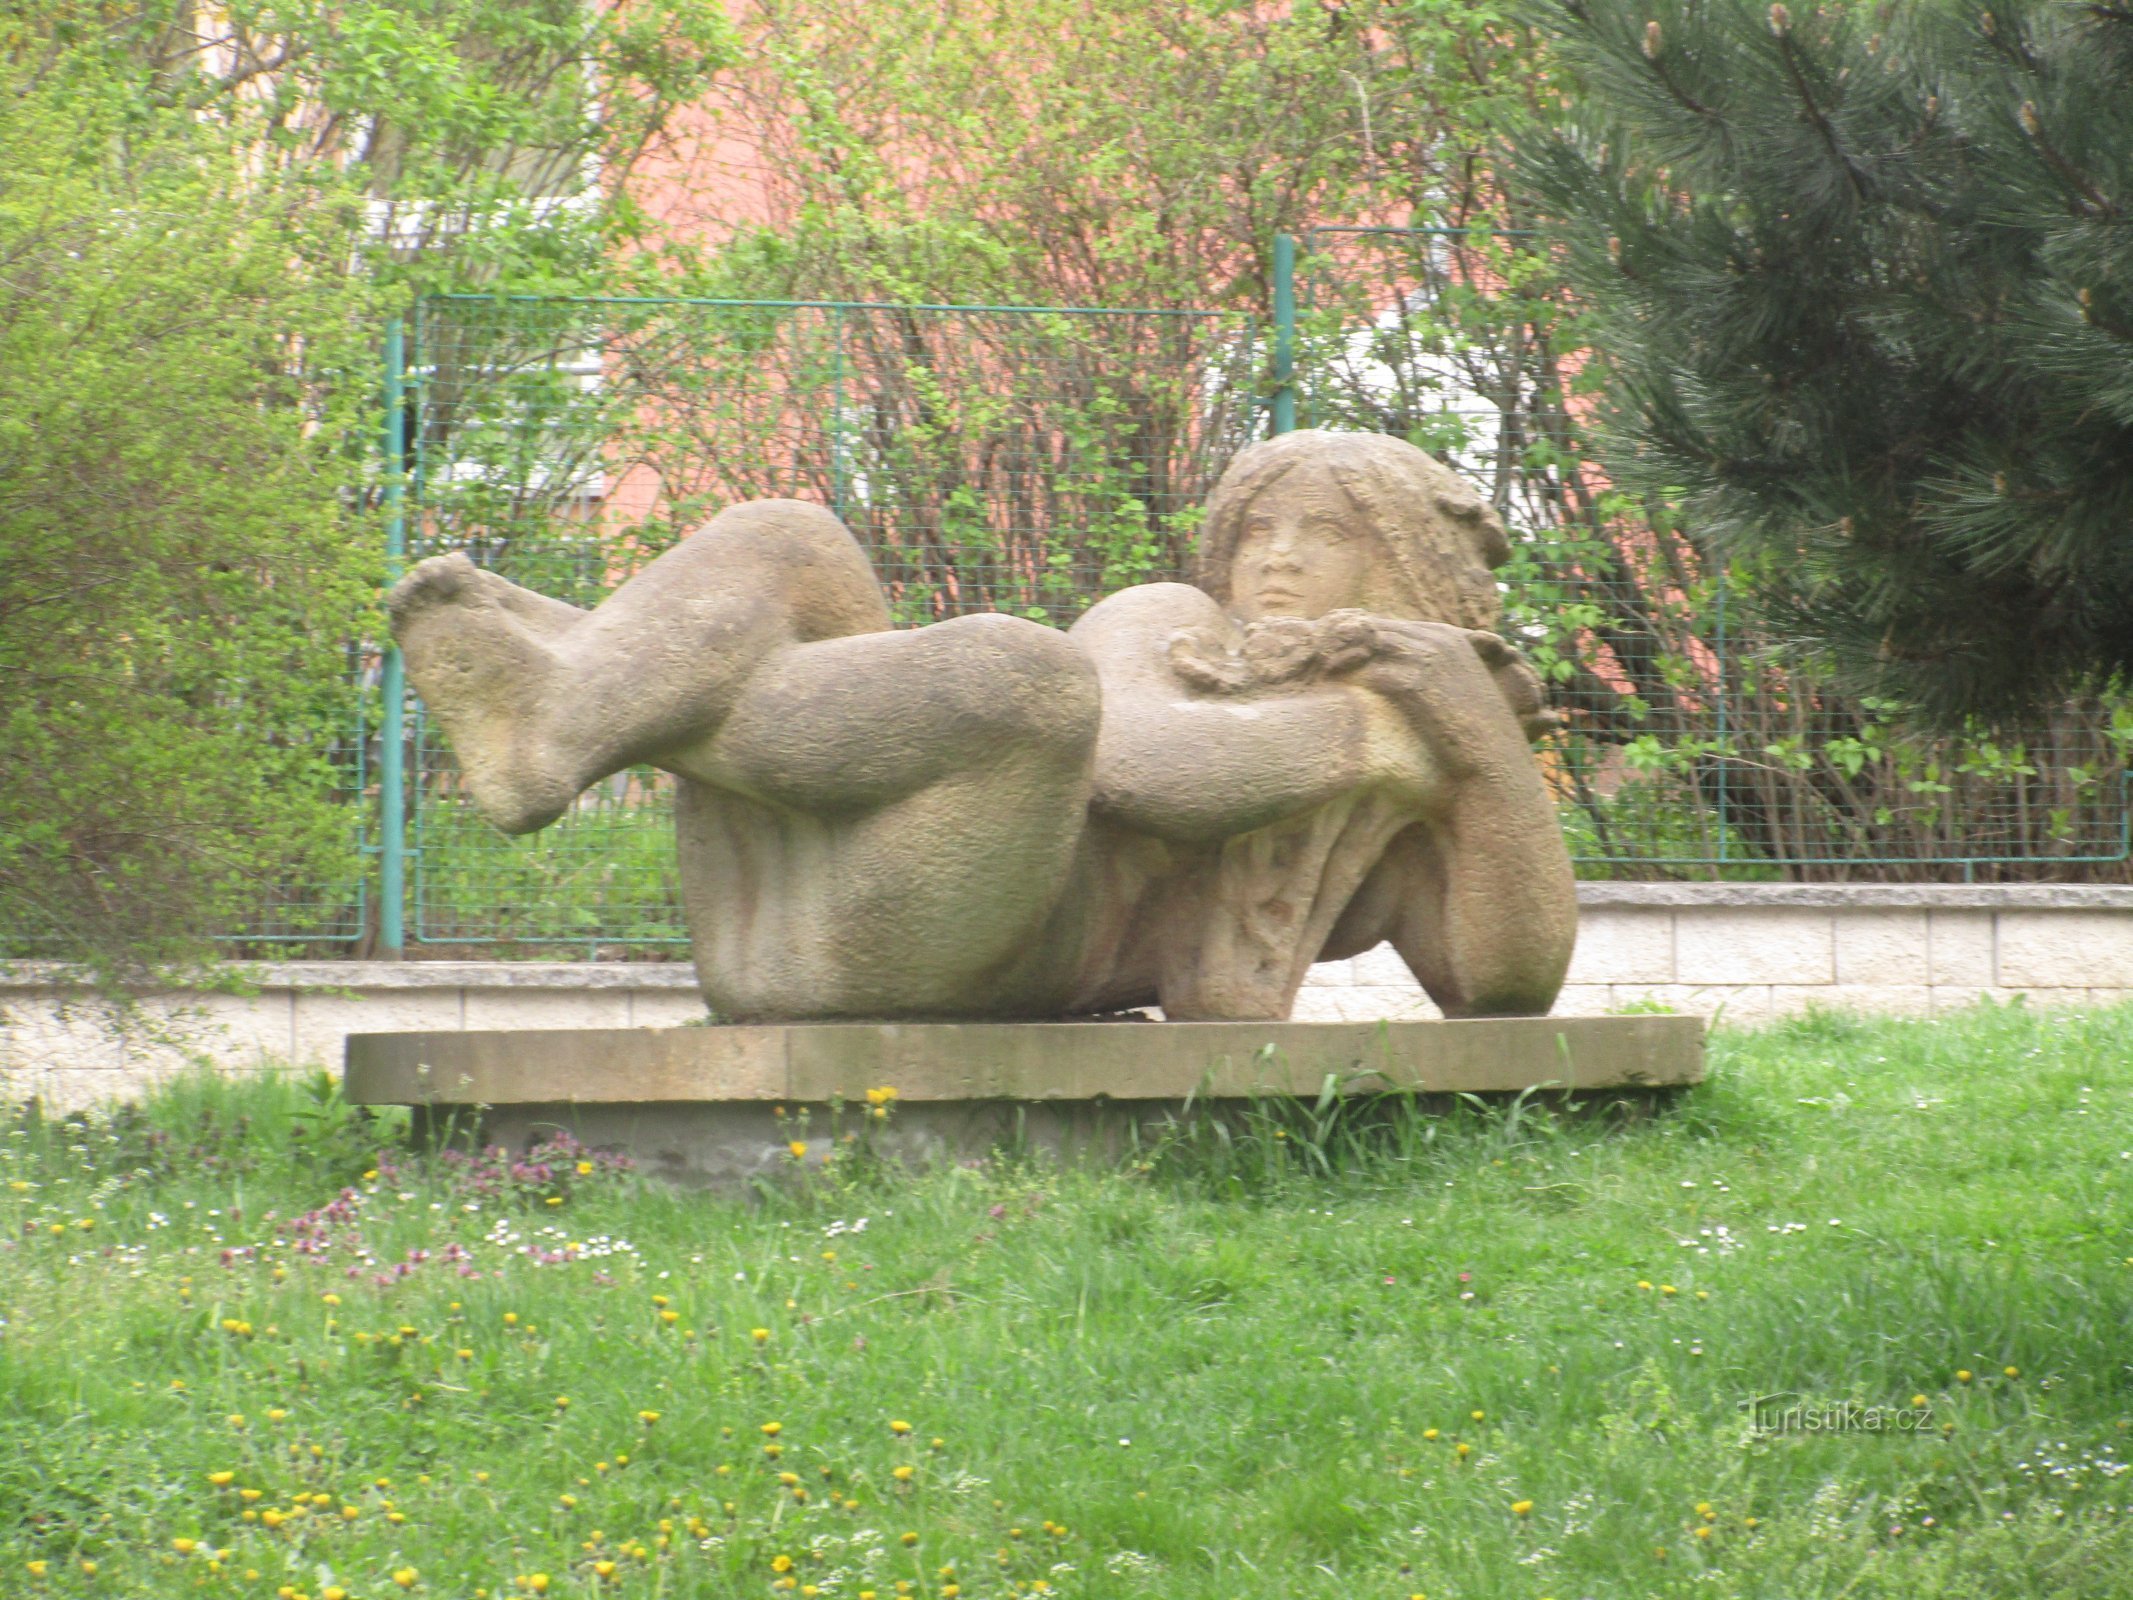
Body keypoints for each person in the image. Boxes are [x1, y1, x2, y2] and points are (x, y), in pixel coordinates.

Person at [388, 428, 1575, 1021]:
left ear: (1414, 566)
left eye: (1325, 531)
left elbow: (1505, 987)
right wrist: (1387, 733)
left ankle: (606, 670)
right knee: (799, 541)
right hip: (820, 907)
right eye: (1258, 526)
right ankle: (564, 725)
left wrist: (1479, 751)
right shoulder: (1175, 623)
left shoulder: (1440, 750)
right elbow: (1154, 764)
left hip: (921, 954)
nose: (1276, 555)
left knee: (1021, 676)